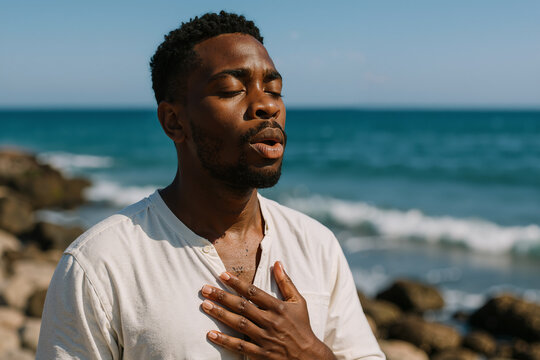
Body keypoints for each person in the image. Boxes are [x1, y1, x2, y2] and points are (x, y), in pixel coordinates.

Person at [36, 11, 384, 360]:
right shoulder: (100, 264)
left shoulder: (317, 245)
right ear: (174, 121)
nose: (266, 105)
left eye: (274, 90)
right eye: (232, 89)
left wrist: (309, 353)